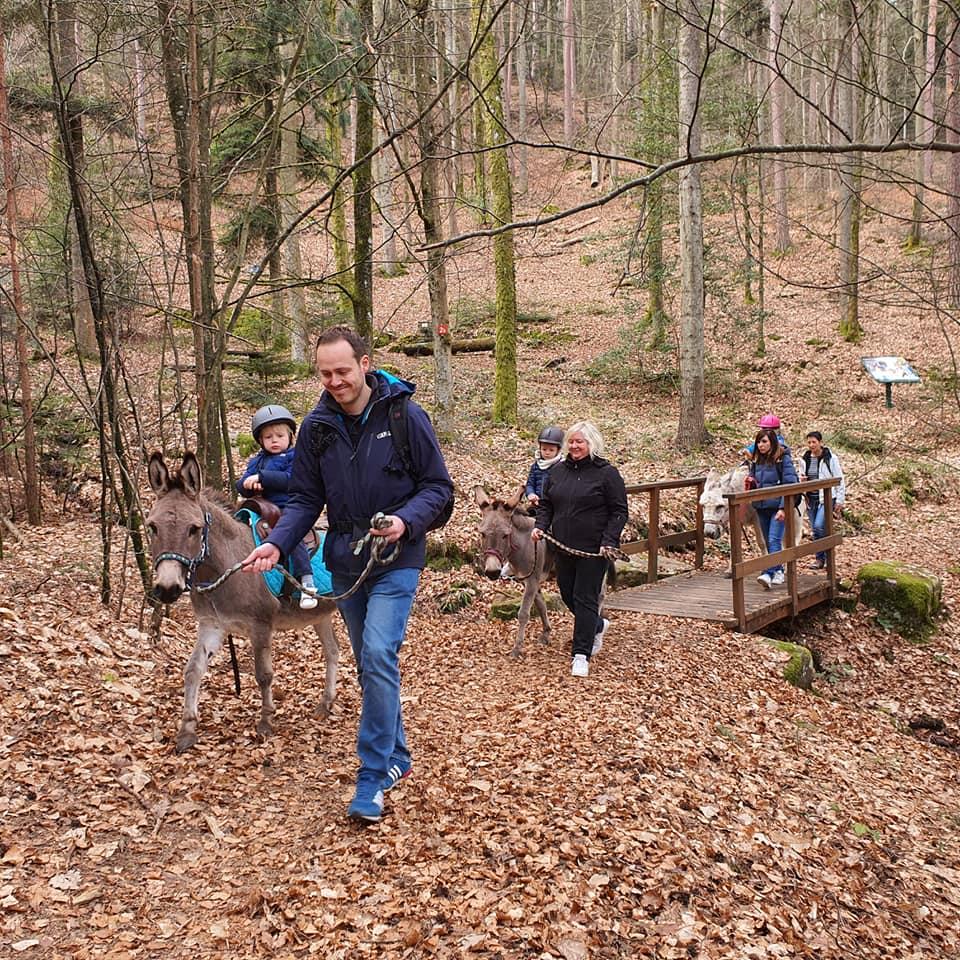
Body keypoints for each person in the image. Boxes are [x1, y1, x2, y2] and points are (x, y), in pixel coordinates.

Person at [242, 326, 453, 824]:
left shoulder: (405, 415)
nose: (335, 381)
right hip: (344, 559)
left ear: (364, 363)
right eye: (325, 373)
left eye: (342, 370)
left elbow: (439, 489)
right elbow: (305, 500)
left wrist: (405, 521)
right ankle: (398, 755)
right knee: (368, 664)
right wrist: (275, 543)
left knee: (379, 652)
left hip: (396, 556)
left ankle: (372, 774)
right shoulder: (316, 428)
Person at [531, 422, 627, 679]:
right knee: (567, 593)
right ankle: (597, 625)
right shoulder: (557, 472)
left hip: (594, 550)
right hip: (563, 547)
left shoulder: (607, 474)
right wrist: (540, 526)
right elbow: (547, 504)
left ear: (591, 444)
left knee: (585, 597)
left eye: (579, 442)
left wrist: (610, 540)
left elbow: (619, 511)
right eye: (571, 442)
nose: (574, 446)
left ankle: (581, 654)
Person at [237, 405, 319, 610]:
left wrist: (265, 478)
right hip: (262, 508)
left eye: (280, 435)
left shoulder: (295, 457)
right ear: (260, 441)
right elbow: (243, 482)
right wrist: (247, 485)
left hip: (288, 507)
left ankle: (306, 581)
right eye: (268, 437)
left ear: (290, 436)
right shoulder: (258, 461)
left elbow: (294, 480)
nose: (274, 440)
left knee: (292, 535)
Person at [747, 427, 798, 589]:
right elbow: (756, 480)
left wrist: (784, 508)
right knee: (768, 542)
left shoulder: (783, 460)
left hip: (778, 506)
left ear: (772, 442)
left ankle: (768, 573)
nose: (760, 445)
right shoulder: (757, 461)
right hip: (762, 506)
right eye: (758, 442)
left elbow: (790, 484)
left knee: (774, 539)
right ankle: (779, 570)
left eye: (764, 442)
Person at [801, 431, 845, 569]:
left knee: (820, 526)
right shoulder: (806, 458)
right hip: (811, 498)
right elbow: (801, 476)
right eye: (809, 442)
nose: (811, 445)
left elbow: (839, 478)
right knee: (816, 529)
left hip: (826, 497)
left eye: (814, 442)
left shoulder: (830, 458)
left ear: (820, 442)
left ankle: (824, 557)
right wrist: (802, 481)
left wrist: (840, 499)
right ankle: (821, 558)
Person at [524, 425, 564, 508]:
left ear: (558, 450)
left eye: (551, 450)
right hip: (537, 503)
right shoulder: (536, 466)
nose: (547, 453)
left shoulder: (562, 466)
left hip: (555, 506)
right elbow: (530, 483)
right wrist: (531, 494)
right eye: (544, 449)